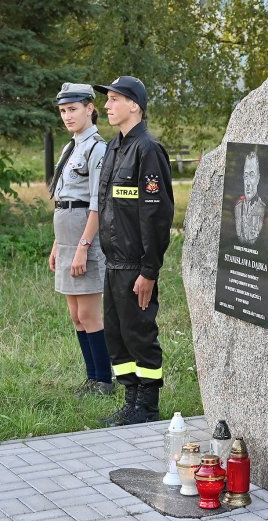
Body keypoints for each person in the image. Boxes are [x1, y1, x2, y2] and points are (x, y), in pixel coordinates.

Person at [92, 76, 174, 426]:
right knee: (118, 335)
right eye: (107, 100)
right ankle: (130, 400)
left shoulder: (148, 150)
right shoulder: (115, 147)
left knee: (140, 335)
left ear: (134, 106)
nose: (107, 106)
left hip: (136, 266)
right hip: (113, 263)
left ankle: (148, 406)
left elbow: (156, 215)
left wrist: (149, 271)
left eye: (113, 99)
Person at [47, 82, 113, 397]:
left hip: (85, 233)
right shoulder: (70, 146)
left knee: (88, 313)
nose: (67, 116)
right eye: (63, 110)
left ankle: (105, 381)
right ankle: (92, 378)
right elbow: (63, 197)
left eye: (72, 109)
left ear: (90, 107)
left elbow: (97, 203)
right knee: (75, 315)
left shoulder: (96, 148)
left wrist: (84, 248)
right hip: (67, 232)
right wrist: (58, 245)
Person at [234, 150, 266, 243]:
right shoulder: (237, 208)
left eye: (252, 176)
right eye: (246, 176)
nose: (248, 183)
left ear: (258, 178)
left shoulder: (264, 209)